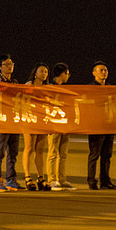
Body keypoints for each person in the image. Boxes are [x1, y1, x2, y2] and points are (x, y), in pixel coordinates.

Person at [0, 55, 22, 192]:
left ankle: (11, 179)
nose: (10, 66)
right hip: (1, 121)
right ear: (0, 67)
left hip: (13, 121)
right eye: (6, 64)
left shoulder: (15, 82)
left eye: (11, 64)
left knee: (13, 152)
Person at [86, 61, 116, 190]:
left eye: (106, 70)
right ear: (94, 73)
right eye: (101, 70)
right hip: (96, 126)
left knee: (107, 155)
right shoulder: (90, 88)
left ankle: (105, 181)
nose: (104, 72)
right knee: (94, 154)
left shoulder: (110, 88)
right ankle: (91, 180)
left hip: (109, 125)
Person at [21, 62, 51, 191]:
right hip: (30, 118)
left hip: (42, 120)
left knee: (40, 149)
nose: (44, 74)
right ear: (35, 73)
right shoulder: (29, 86)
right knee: (29, 147)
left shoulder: (47, 87)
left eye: (45, 72)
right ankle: (27, 177)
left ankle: (40, 177)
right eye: (41, 71)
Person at [46, 62, 74, 190]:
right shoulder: (50, 87)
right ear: (62, 74)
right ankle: (52, 179)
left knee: (63, 153)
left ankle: (62, 179)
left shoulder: (65, 89)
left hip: (64, 124)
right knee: (53, 152)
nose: (68, 76)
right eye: (67, 74)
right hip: (53, 124)